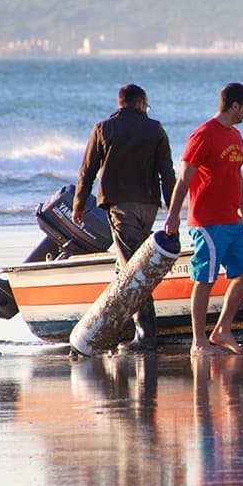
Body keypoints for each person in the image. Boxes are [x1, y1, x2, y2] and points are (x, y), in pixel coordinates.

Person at [72, 83, 176, 351]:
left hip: (121, 207)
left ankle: (146, 334)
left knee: (133, 270)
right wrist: (173, 209)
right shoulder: (156, 129)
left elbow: (87, 172)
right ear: (141, 103)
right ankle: (115, 328)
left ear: (121, 103)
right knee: (129, 264)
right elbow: (168, 172)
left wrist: (79, 204)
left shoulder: (104, 128)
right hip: (149, 207)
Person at [163, 83, 243, 355]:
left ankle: (221, 330)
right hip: (207, 222)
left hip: (232, 219)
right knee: (205, 279)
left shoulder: (237, 136)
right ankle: (198, 341)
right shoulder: (203, 135)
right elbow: (184, 178)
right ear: (234, 105)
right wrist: (172, 216)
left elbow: (236, 176)